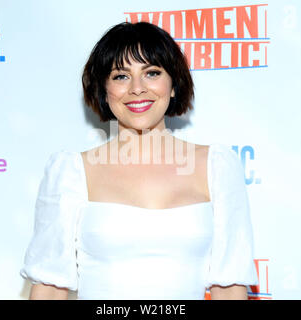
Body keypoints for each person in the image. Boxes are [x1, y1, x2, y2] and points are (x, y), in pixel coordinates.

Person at [20, 22, 258, 300]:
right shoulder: (72, 172)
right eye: (121, 76)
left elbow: (229, 290)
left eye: (152, 73)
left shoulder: (217, 167)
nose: (137, 88)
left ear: (173, 85)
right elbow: (49, 289)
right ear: (104, 89)